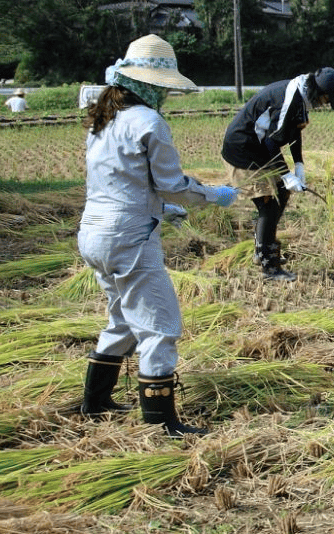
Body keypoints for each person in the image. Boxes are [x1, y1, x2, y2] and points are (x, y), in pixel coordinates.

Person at [76, 35, 240, 435]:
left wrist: (164, 209)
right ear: (148, 85)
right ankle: (161, 422)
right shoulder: (149, 122)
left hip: (95, 235)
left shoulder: (105, 120)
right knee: (159, 325)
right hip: (130, 239)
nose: (164, 95)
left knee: (121, 318)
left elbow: (120, 184)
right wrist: (211, 195)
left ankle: (95, 403)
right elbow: (171, 184)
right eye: (162, 88)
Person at [220, 67, 334, 281]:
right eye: (326, 99)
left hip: (258, 149)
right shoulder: (290, 99)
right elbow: (271, 141)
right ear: (319, 91)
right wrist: (287, 176)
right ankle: (269, 267)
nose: (325, 104)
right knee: (269, 203)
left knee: (280, 194)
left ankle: (262, 248)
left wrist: (299, 165)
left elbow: (294, 132)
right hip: (243, 149)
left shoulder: (302, 95)